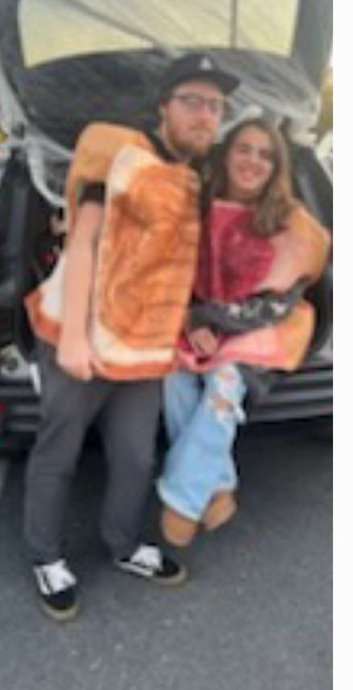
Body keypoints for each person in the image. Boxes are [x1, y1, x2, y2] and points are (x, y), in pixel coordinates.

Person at [23, 54, 241, 620]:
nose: (204, 115)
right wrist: (73, 335)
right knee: (60, 451)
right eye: (191, 101)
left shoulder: (195, 178)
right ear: (163, 108)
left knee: (134, 457)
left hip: (143, 346)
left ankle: (122, 546)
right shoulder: (119, 155)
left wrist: (193, 315)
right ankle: (45, 556)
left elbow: (174, 258)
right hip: (84, 334)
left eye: (214, 106)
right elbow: (85, 243)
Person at [158, 117, 331, 545]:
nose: (254, 161)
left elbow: (276, 304)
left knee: (225, 379)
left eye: (266, 154)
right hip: (202, 322)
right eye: (244, 148)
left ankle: (181, 499)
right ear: (226, 153)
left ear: (277, 166)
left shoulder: (292, 222)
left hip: (264, 328)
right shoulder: (198, 207)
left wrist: (210, 322)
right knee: (173, 378)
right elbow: (174, 273)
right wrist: (192, 317)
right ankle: (216, 488)